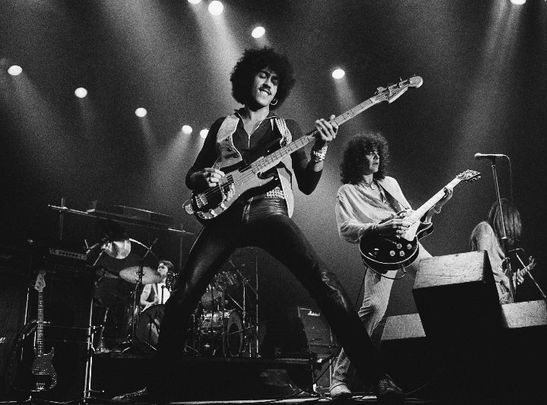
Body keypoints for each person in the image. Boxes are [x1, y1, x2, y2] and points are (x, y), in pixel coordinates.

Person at [114, 47, 404, 403]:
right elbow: (192, 175)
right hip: (225, 217)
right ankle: (156, 391)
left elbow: (308, 184)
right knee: (180, 298)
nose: (268, 83)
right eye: (262, 75)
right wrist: (204, 175)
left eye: (274, 79)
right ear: (246, 79)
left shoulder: (288, 128)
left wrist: (320, 150)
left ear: (279, 90)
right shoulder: (223, 126)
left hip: (270, 210)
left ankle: (378, 378)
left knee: (325, 282)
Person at [329, 132, 452, 399]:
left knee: (446, 284)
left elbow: (412, 219)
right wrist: (378, 227)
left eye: (377, 152)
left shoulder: (390, 183)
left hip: (409, 248)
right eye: (369, 152)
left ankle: (454, 365)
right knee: (373, 308)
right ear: (355, 158)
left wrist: (436, 206)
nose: (375, 156)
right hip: (381, 253)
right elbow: (345, 230)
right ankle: (338, 378)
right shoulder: (346, 192)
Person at [470, 197, 522, 304]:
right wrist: (505, 280)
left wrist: (512, 281)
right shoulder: (485, 229)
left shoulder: (502, 245)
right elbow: (484, 264)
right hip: (483, 294)